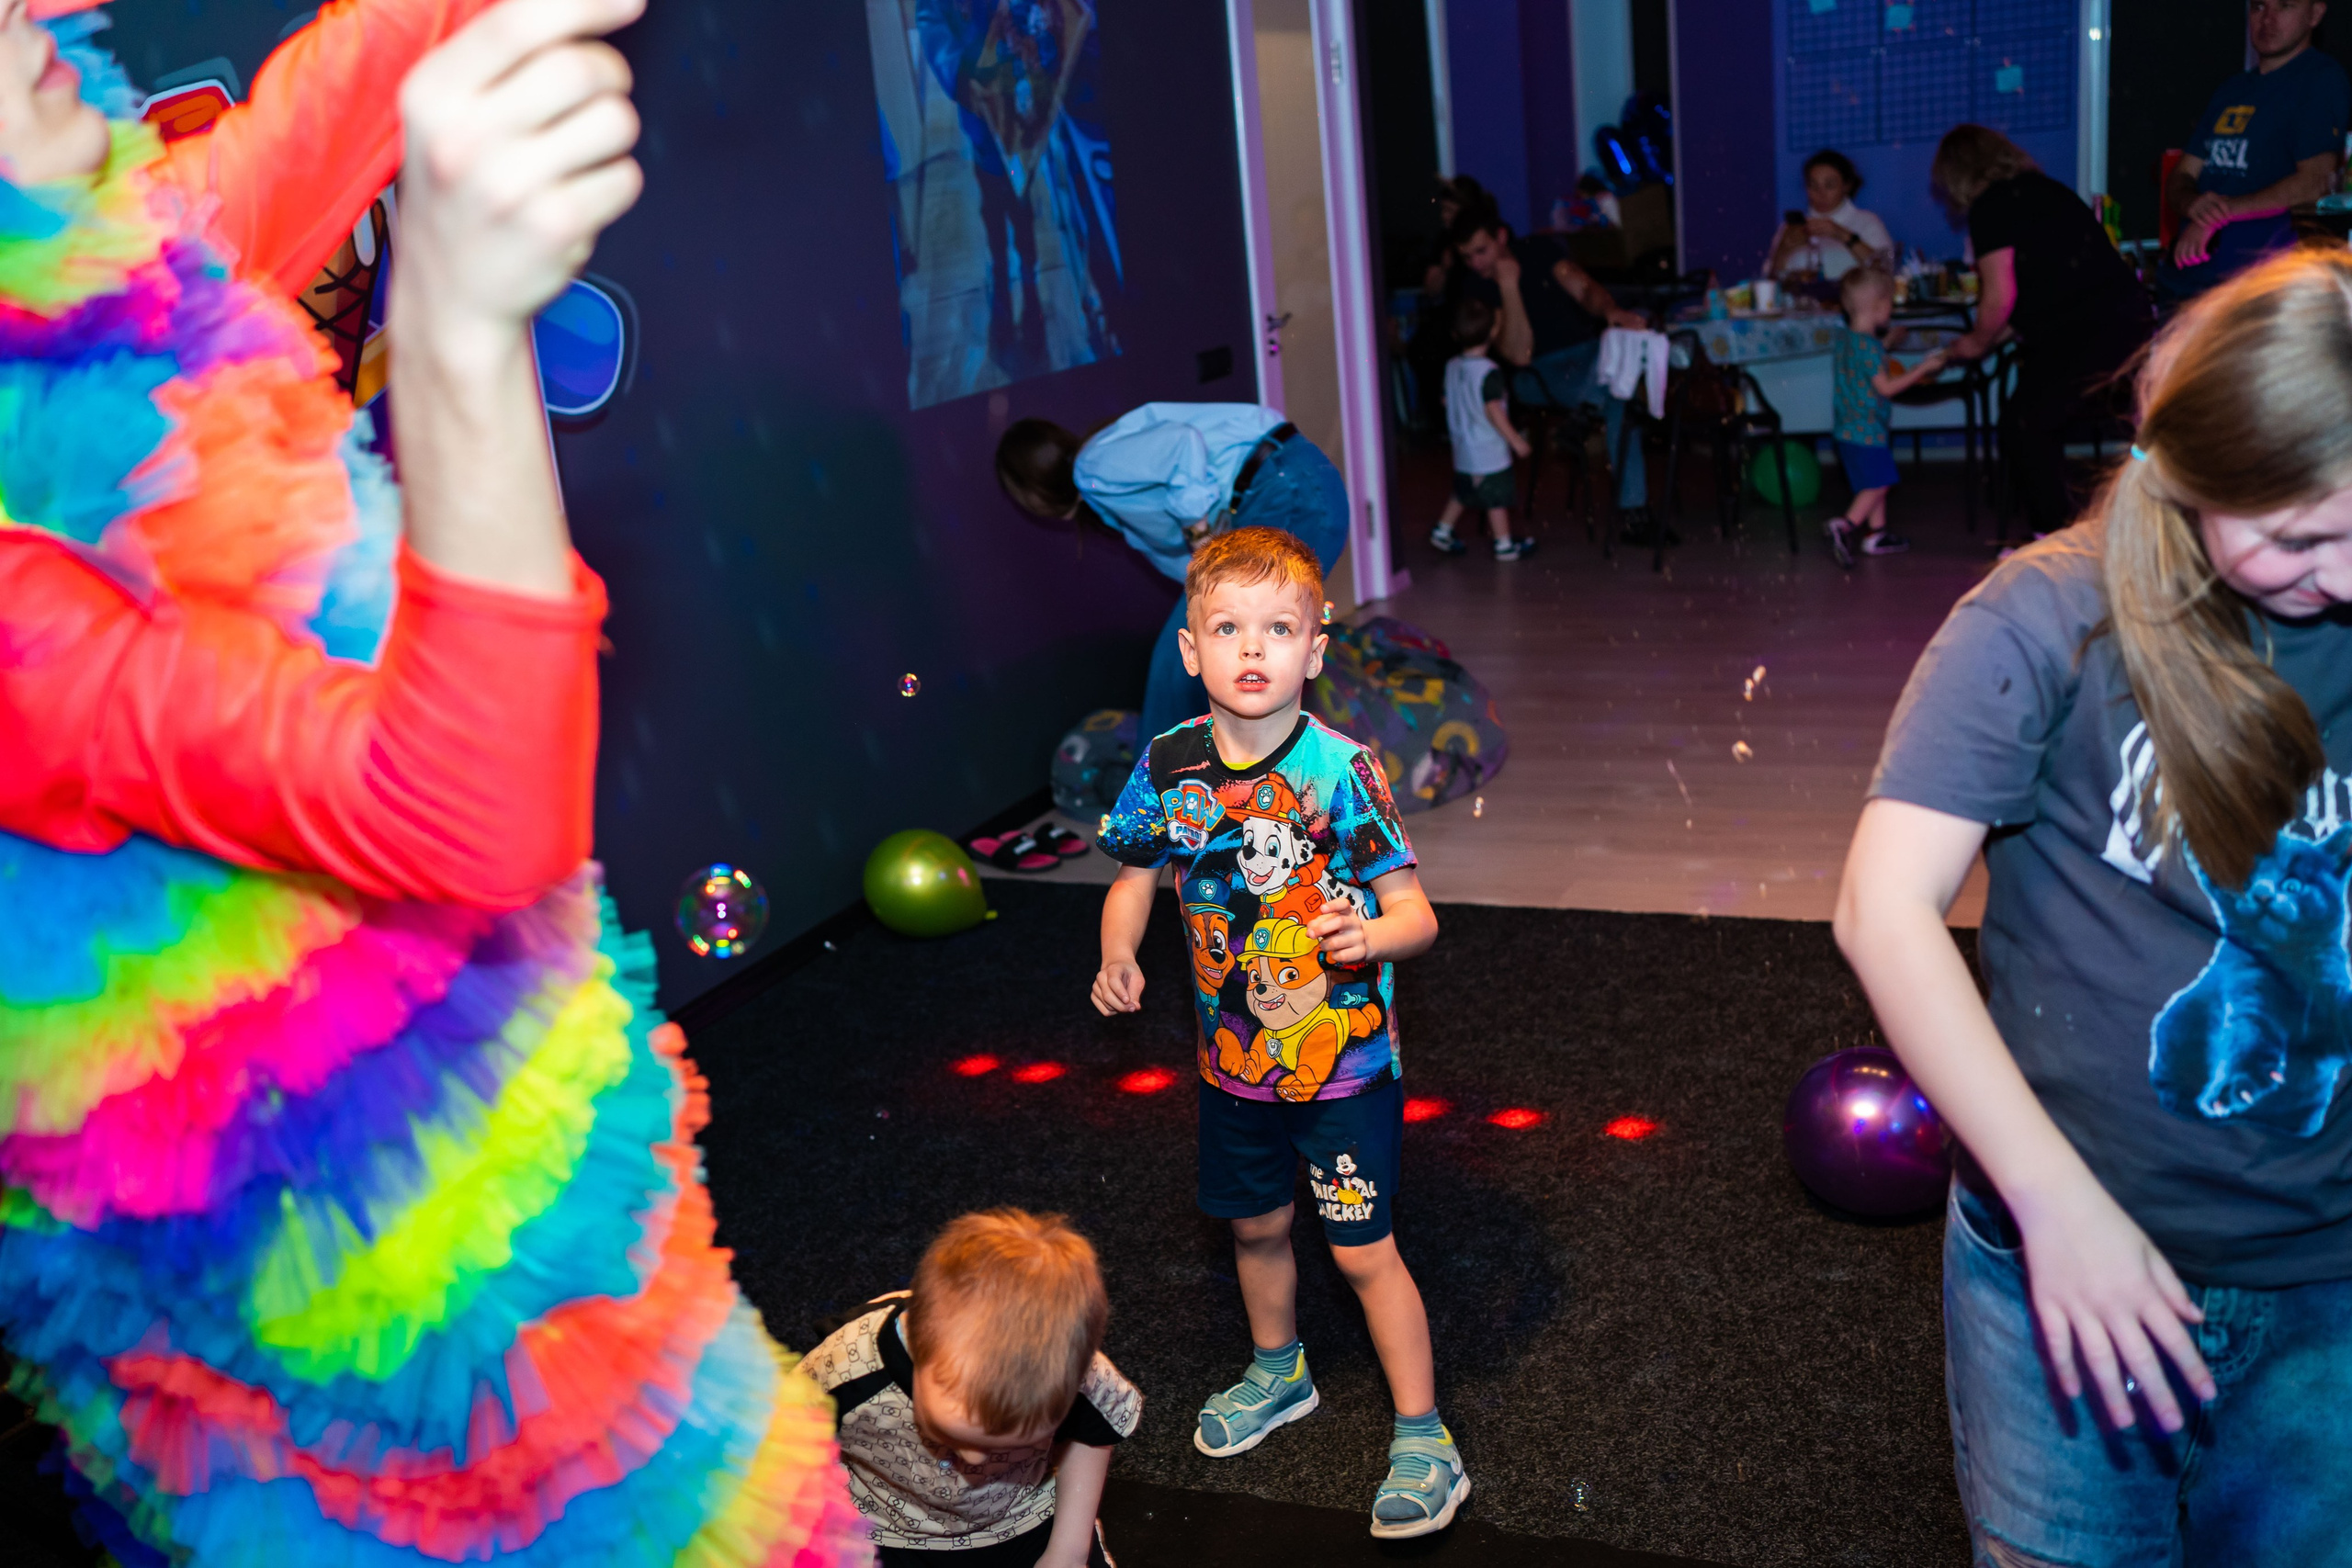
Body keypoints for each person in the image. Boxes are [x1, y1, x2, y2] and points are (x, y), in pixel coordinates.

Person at [0, 0, 869, 1562]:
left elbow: (332, 108)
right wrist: (465, 337)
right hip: (358, 1303)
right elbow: (459, 816)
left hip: (488, 1195)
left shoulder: (86, 284)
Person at [1835, 248, 2352, 1567]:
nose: (2344, 575)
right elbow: (1884, 906)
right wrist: (2057, 1204)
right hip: (2064, 1249)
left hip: (2326, 1278)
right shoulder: (2041, 615)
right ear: (2185, 473)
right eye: (2297, 537)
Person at [1091, 528, 1464, 1540]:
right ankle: (1277, 1369)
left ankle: (1426, 1434)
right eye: (1227, 628)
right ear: (1190, 650)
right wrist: (1118, 954)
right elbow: (1130, 876)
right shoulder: (1169, 767)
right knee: (1253, 1226)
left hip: (1343, 1069)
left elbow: (1418, 918)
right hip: (1230, 1067)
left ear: (1314, 650)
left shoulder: (1346, 774)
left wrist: (1365, 932)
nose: (1251, 650)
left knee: (1360, 1249)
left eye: (1277, 629)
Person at [803, 1211, 1140, 1568]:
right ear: (920, 1346)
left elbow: (1092, 1435)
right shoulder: (847, 1365)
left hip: (1021, 1517)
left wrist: (1067, 1551)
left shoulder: (1072, 1371)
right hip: (887, 1528)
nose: (976, 1462)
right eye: (953, 1435)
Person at [995, 405, 1349, 741]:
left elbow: (1184, 443)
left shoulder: (1093, 465)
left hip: (1287, 488)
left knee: (1180, 662)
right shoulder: (1103, 495)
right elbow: (1186, 569)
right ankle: (1230, 782)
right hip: (1297, 487)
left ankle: (1159, 794)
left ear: (1033, 493)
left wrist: (1199, 536)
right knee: (1232, 654)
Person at [1934, 125, 2157, 538]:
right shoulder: (2047, 192)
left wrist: (1975, 343)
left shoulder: (1991, 206)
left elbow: (1999, 299)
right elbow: (2037, 293)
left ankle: (2052, 538)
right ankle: (2074, 529)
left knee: (2026, 425)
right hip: (2126, 324)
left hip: (2083, 334)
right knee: (2041, 420)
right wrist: (1984, 341)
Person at [1450, 209, 1656, 537]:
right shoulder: (1476, 289)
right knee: (1620, 393)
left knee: (1629, 349)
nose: (1476, 262)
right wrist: (1508, 286)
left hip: (1589, 358)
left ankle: (1587, 414)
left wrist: (1611, 311)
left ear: (1501, 237)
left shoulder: (1539, 251)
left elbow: (1584, 289)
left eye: (1481, 251)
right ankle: (1635, 512)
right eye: (1467, 257)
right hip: (1535, 374)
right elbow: (1519, 354)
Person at [2162, 0, 2348, 296]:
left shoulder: (2320, 79)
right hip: (2189, 282)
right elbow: (2182, 174)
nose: (2268, 19)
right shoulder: (2231, 90)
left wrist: (2220, 213)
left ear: (2315, 13)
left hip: (2256, 289)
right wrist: (2191, 204)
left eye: (2285, 6)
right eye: (2259, 7)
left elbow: (2315, 181)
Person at [1826, 268, 1947, 566]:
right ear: (1880, 306)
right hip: (1866, 430)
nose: (1891, 309)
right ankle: (1846, 525)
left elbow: (1866, 361)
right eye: (1890, 303)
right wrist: (1921, 370)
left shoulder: (1847, 340)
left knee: (1873, 482)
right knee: (1879, 483)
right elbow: (1887, 388)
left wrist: (1888, 342)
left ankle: (1877, 534)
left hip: (1848, 430)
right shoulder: (1868, 346)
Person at [1429, 295, 1535, 561]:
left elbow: (1445, 399)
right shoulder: (1489, 372)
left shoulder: (1452, 366)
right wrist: (1516, 441)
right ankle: (1504, 544)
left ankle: (1443, 530)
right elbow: (1493, 411)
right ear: (1493, 331)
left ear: (1455, 334)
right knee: (1495, 498)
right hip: (1488, 449)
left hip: (1463, 445)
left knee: (1463, 491)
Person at [1765, 149, 1892, 284]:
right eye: (1813, 186)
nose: (1821, 194)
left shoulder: (1867, 222)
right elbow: (1771, 283)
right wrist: (1783, 249)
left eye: (1829, 186)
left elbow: (1885, 270)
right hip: (1803, 303)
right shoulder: (1790, 228)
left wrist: (1842, 234)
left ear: (1846, 185)